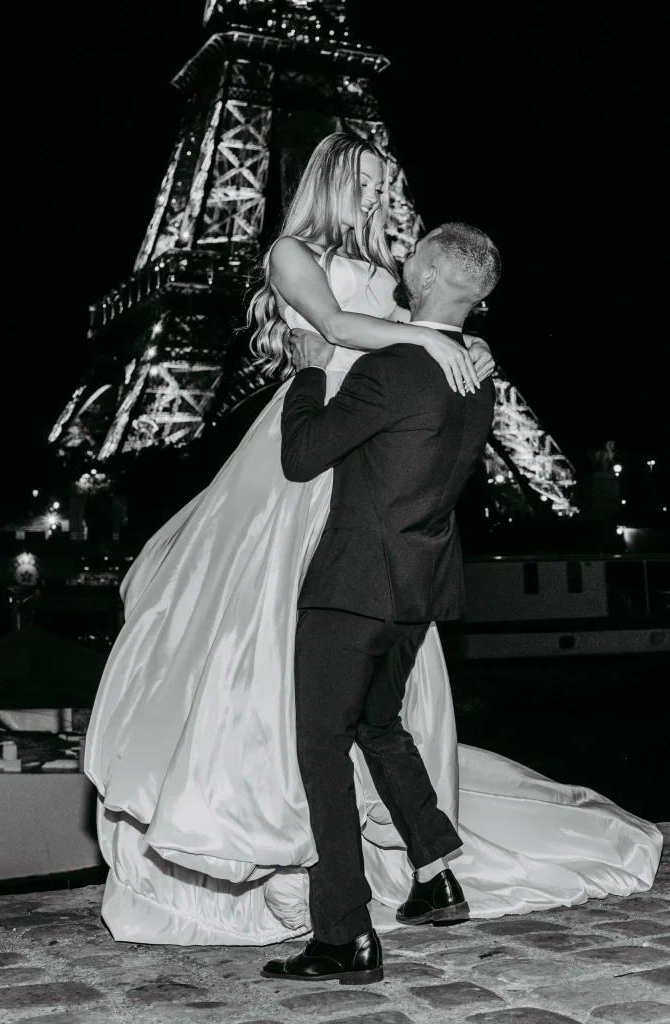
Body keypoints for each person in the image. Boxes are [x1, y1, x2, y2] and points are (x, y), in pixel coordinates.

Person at [85, 132, 661, 947]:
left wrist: (453, 339)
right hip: (306, 443)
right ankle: (262, 833)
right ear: (329, 178)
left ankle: (368, 888)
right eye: (367, 179)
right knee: (262, 651)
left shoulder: (397, 273)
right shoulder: (289, 251)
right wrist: (428, 338)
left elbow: (416, 328)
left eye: (386, 181)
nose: (381, 193)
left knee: (354, 691)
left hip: (367, 454)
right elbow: (328, 324)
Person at [262, 223, 498, 984]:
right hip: (416, 592)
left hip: (352, 588)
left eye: (412, 253)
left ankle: (343, 933)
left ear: (427, 276)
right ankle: (436, 878)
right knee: (378, 723)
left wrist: (310, 371)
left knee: (321, 750)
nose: (400, 256)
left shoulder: (392, 369)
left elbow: (303, 456)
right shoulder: (476, 376)